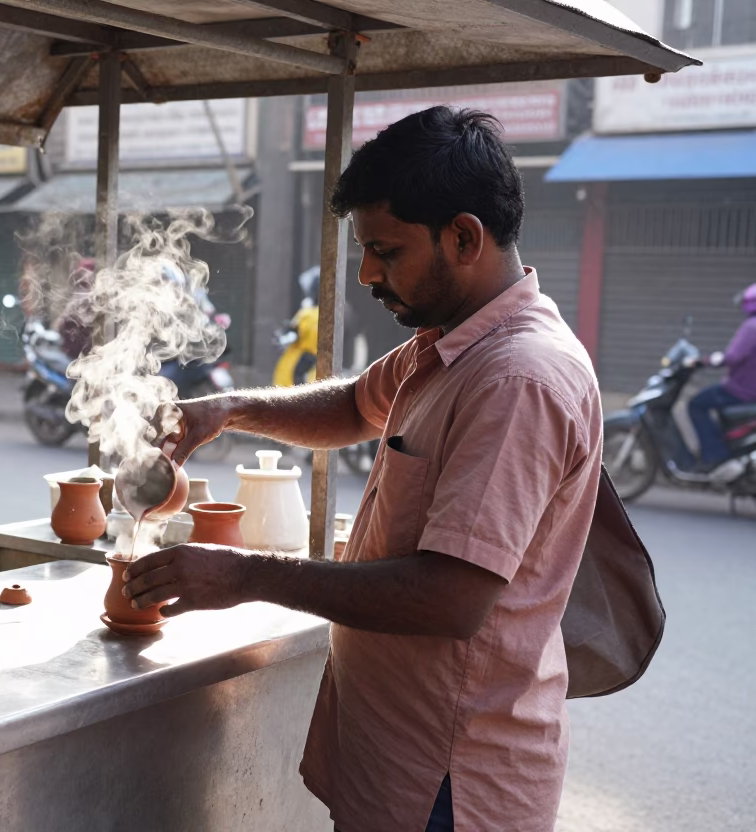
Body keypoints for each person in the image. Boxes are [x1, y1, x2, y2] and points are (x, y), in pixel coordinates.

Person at [124, 108, 603, 832]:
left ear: (464, 237)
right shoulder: (450, 343)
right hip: (398, 757)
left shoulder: (516, 378)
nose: (367, 274)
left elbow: (450, 599)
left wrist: (245, 576)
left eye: (385, 250)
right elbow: (354, 406)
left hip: (452, 780)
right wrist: (229, 409)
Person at [687, 283, 756, 470]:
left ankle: (714, 455)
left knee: (696, 404)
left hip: (742, 390)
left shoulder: (751, 327)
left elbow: (733, 357)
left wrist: (706, 361)